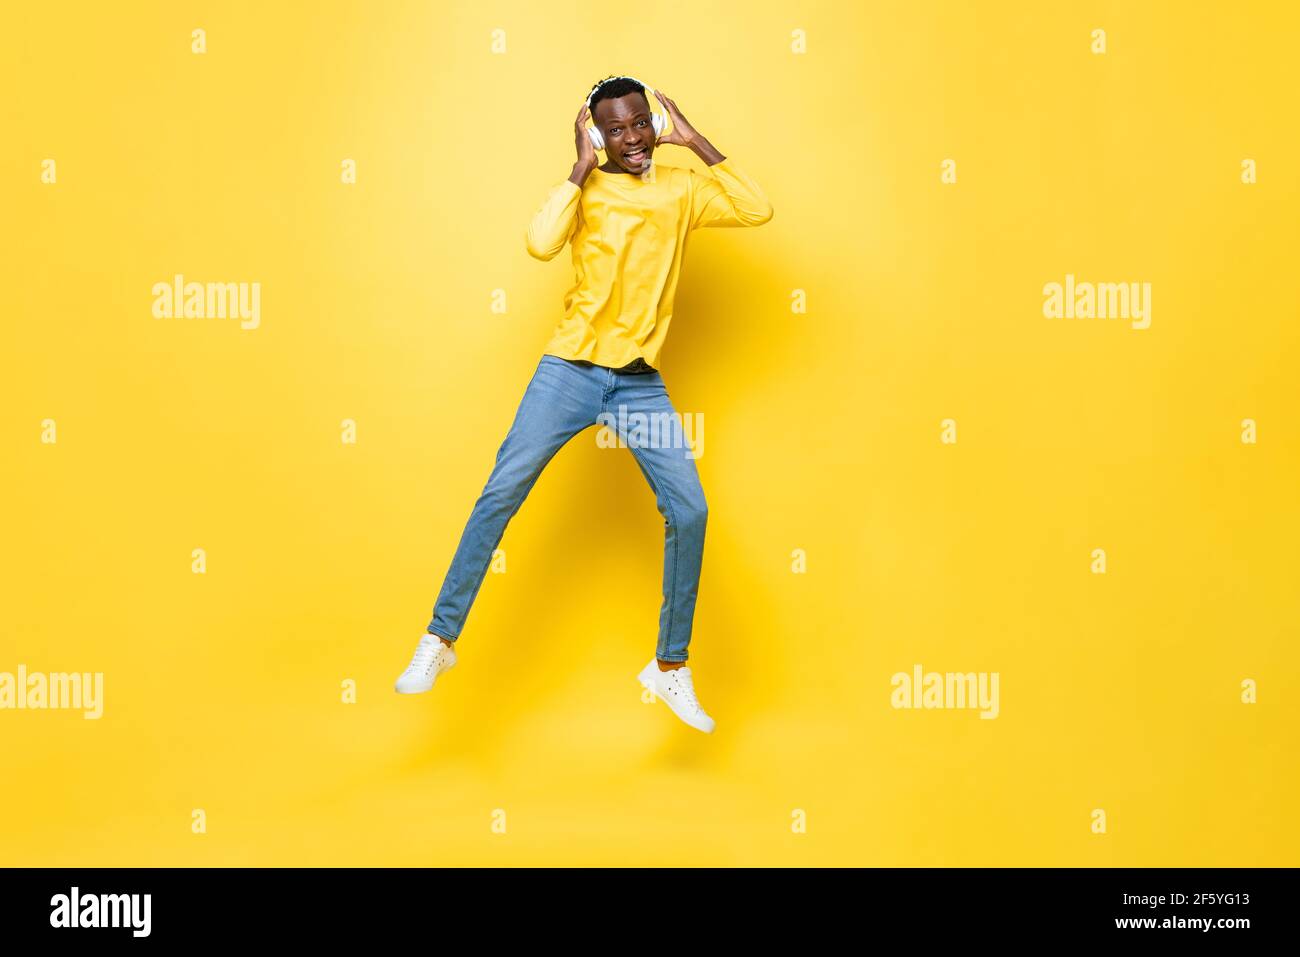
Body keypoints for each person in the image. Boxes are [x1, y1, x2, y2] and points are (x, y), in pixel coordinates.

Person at [395, 75, 773, 733]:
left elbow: (756, 208)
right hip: (569, 371)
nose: (632, 138)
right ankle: (440, 638)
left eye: (641, 123)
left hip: (639, 383)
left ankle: (670, 666)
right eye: (615, 129)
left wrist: (693, 139)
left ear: (655, 123)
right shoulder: (586, 189)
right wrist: (577, 167)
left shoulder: (681, 189)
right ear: (598, 134)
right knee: (500, 493)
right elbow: (541, 243)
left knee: (691, 510)